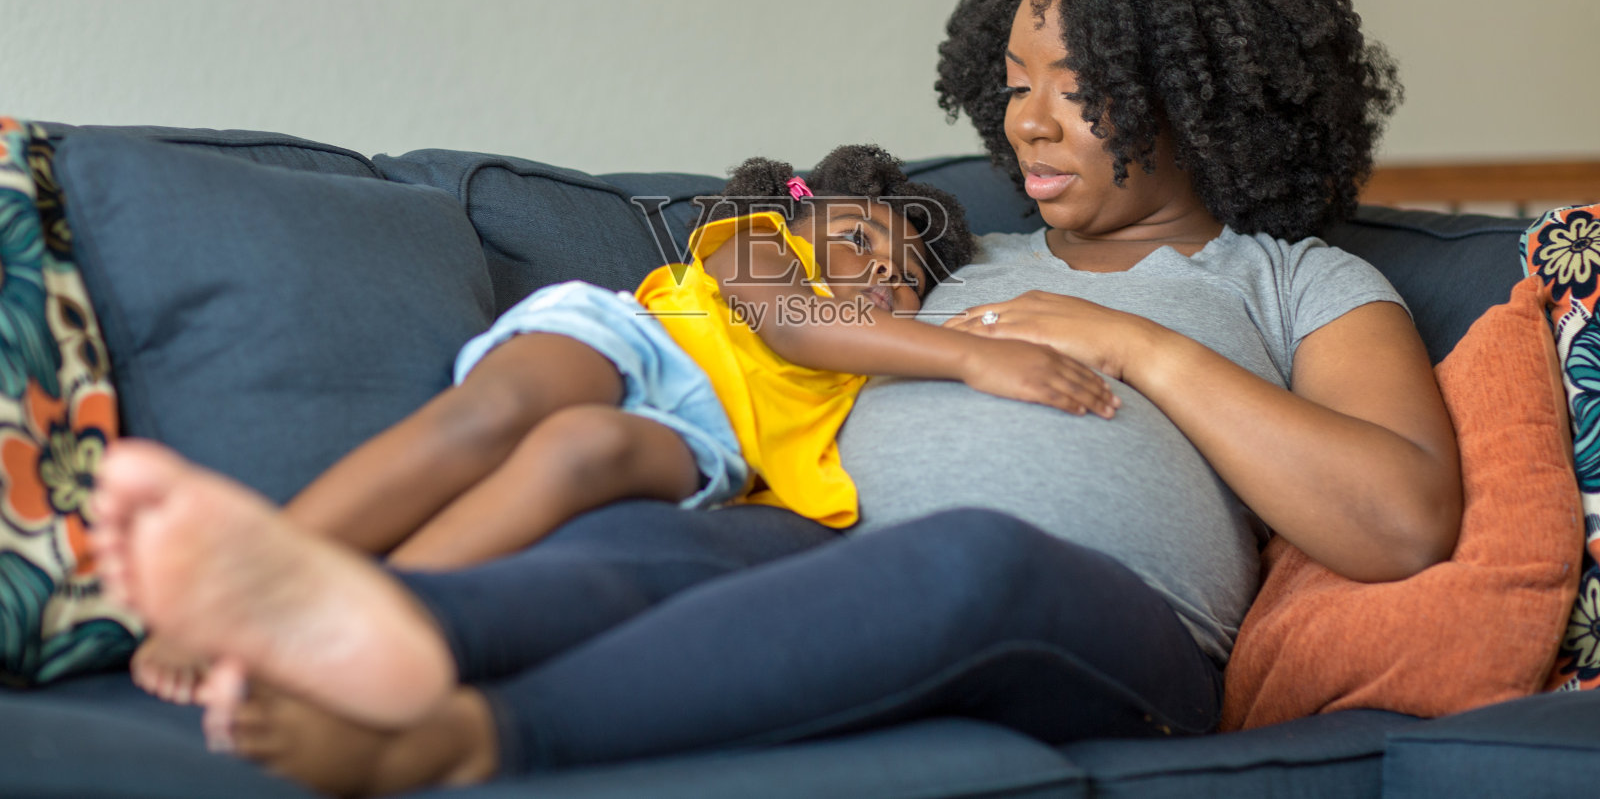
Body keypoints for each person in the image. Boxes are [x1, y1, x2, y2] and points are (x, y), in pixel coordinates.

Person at [91, 0, 1461, 798]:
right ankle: (338, 637)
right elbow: (768, 301)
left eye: (1082, 89)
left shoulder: (1291, 280)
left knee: (971, 554)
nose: (1030, 123)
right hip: (822, 537)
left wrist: (1139, 348)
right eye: (1018, 84)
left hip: (1118, 628)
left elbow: (1398, 518)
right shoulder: (945, 249)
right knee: (655, 542)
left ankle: (476, 739)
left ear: (1209, 94)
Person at [130, 143, 1118, 704]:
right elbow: (795, 323)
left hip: (706, 441)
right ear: (796, 217)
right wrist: (971, 353)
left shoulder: (875, 370)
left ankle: (356, 623)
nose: (876, 269)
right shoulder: (755, 247)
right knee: (506, 409)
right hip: (636, 342)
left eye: (903, 273)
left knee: (583, 448)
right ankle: (261, 566)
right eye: (857, 235)